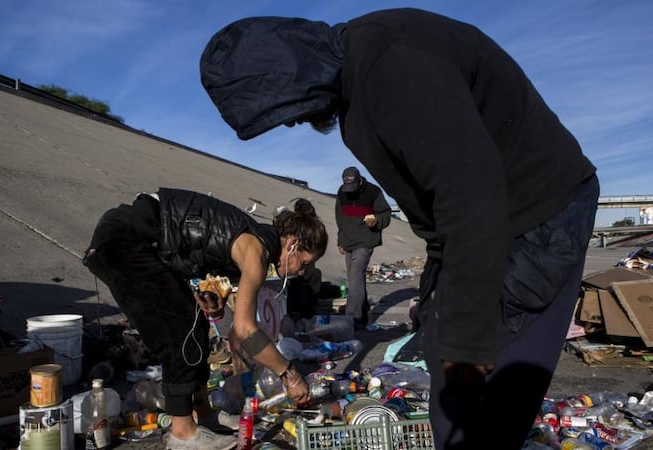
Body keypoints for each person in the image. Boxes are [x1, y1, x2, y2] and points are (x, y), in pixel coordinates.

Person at [200, 8, 599, 449]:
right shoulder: (359, 82)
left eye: (286, 110)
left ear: (292, 70)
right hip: (476, 227)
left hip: (536, 217)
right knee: (446, 366)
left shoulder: (390, 66)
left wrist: (467, 342)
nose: (293, 121)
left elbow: (470, 192)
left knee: (487, 394)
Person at [83, 188, 327, 450]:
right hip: (125, 241)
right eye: (305, 262)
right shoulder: (256, 249)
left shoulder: (253, 241)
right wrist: (289, 375)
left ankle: (203, 412)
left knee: (196, 323)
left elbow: (194, 256)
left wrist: (211, 299)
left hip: (137, 241)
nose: (303, 272)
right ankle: (183, 433)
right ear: (292, 245)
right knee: (178, 329)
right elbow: (246, 329)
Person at [335, 166, 391, 329]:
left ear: (360, 181)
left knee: (355, 276)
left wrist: (376, 221)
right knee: (356, 279)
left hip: (366, 240)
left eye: (353, 187)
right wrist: (340, 240)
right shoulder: (342, 191)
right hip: (348, 241)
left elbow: (386, 214)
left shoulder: (373, 192)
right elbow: (340, 217)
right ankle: (365, 314)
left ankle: (352, 318)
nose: (350, 191)